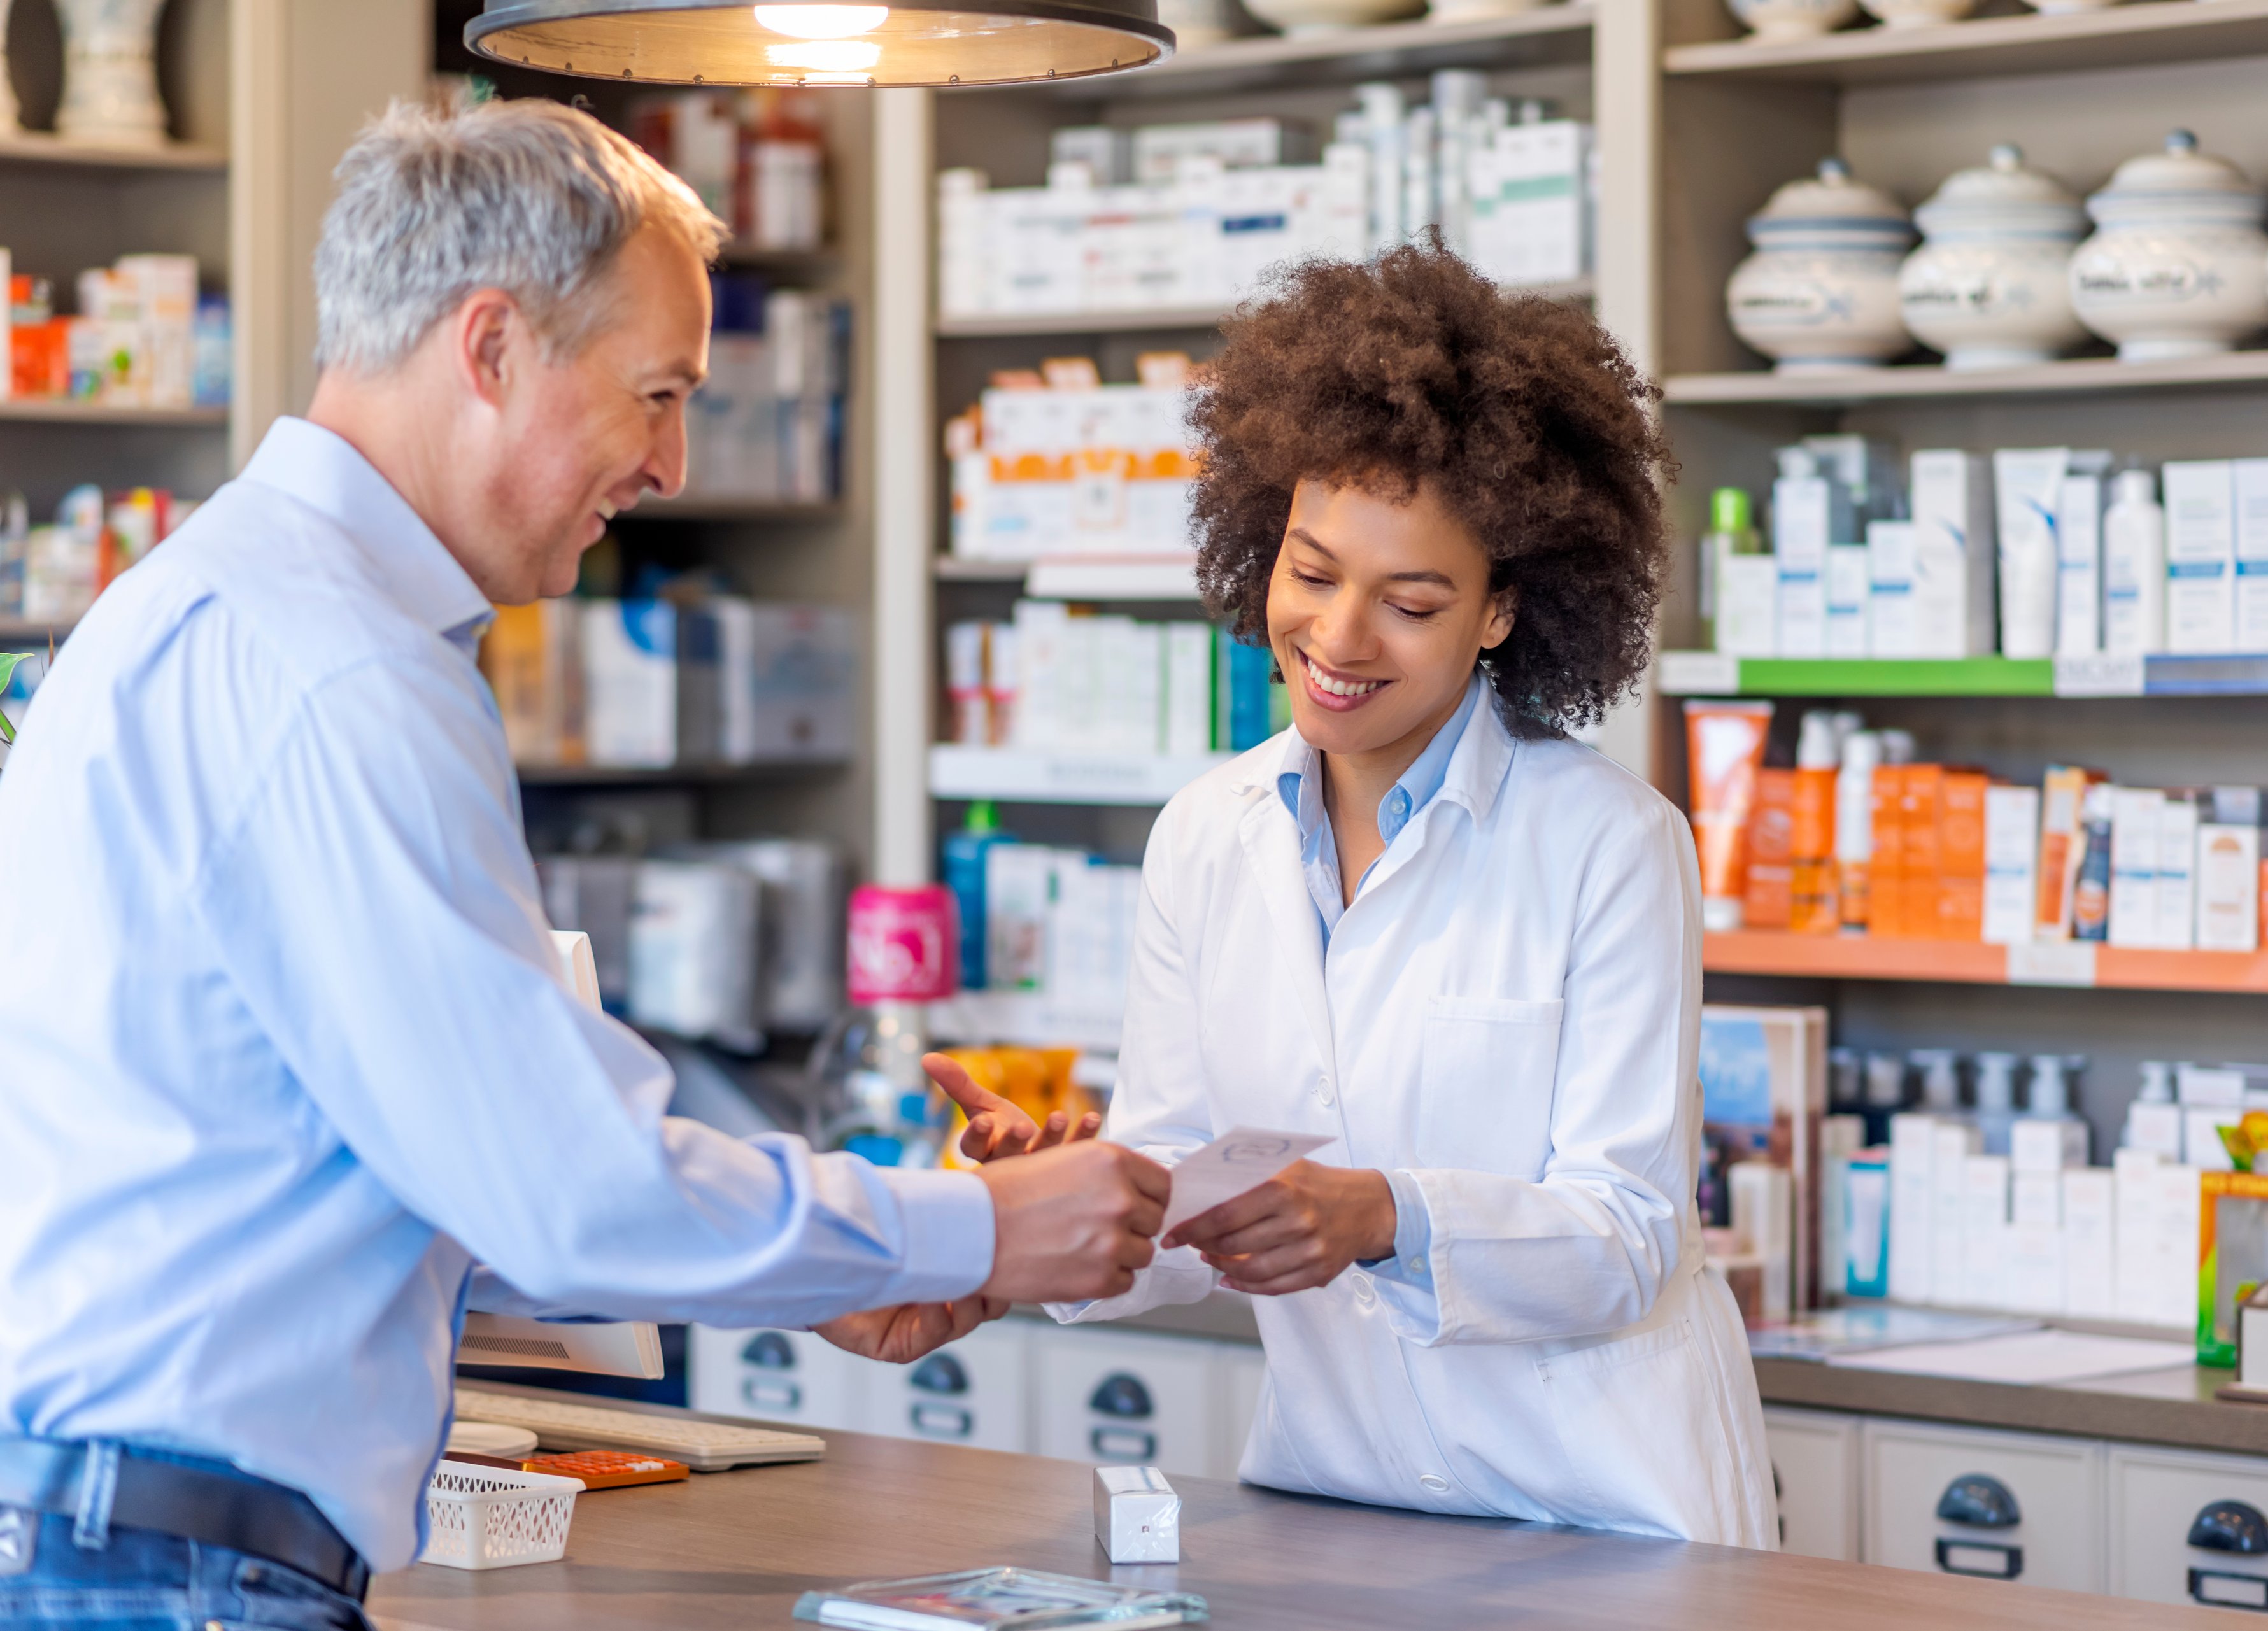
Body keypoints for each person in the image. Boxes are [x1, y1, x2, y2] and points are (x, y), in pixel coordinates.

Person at [0, 99, 1168, 1630]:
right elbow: (562, 1184)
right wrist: (988, 1227)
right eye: (656, 395)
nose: (672, 463)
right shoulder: (339, 667)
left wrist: (830, 1267)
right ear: (491, 347)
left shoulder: (212, 605)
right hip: (170, 1571)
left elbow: (413, 1179)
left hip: (111, 1539)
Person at [937, 244, 1776, 1546]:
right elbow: (1183, 1196)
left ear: (1499, 612)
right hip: (1339, 1498)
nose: (1336, 639)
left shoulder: (1610, 843)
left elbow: (1629, 1237)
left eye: (1412, 602)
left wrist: (1385, 1215)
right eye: (1314, 573)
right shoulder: (1204, 836)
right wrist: (1076, 1193)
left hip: (1600, 1513)